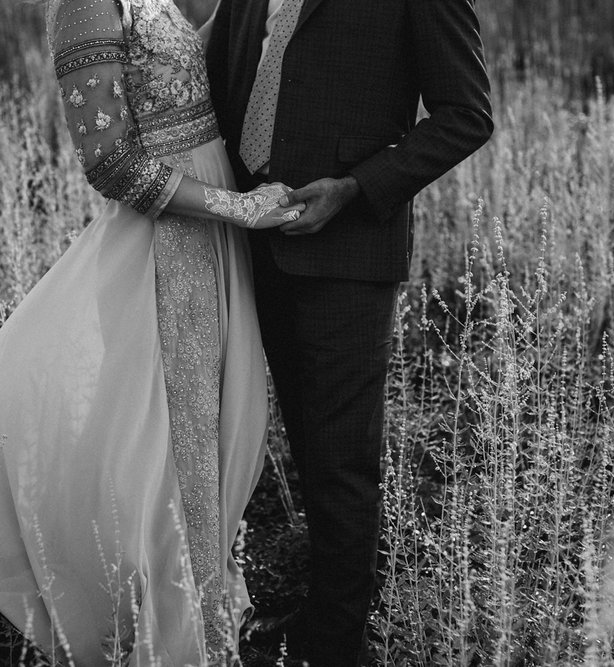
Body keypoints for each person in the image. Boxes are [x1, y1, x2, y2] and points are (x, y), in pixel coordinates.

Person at [0, 0, 304, 663]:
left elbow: (184, 69)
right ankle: (163, 614)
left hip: (213, 231)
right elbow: (111, 163)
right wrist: (234, 206)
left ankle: (189, 595)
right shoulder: (81, 6)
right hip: (171, 237)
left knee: (206, 424)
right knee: (170, 434)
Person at [204, 0, 493, 664]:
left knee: (340, 460)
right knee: (278, 445)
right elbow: (220, 78)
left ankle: (334, 641)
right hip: (240, 244)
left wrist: (355, 188)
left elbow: (467, 115)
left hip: (345, 254)